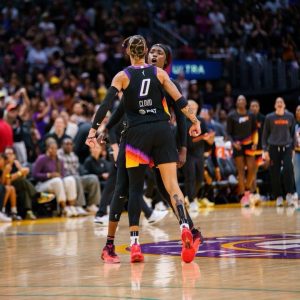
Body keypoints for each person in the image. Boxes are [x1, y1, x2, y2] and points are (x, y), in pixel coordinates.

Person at [86, 35, 201, 264]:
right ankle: (186, 227)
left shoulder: (122, 76)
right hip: (162, 131)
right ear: (146, 51)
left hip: (136, 135)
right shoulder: (160, 74)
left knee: (134, 188)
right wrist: (195, 121)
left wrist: (93, 130)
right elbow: (181, 103)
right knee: (171, 186)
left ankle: (135, 244)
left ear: (128, 52)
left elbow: (107, 104)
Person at [262, 97, 298, 207]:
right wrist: (265, 150)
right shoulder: (269, 117)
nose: (279, 103)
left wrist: (293, 148)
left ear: (284, 105)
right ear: (274, 105)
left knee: (288, 170)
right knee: (275, 173)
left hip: (287, 148)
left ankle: (289, 195)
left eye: (281, 102)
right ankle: (278, 197)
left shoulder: (290, 116)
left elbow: (293, 134)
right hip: (273, 148)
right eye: (277, 102)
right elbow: (265, 135)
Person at [33, 138, 78, 217]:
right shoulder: (41, 159)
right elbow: (35, 175)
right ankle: (63, 208)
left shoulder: (59, 160)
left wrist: (59, 175)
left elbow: (63, 175)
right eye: (51, 148)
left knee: (70, 179)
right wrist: (49, 175)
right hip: (42, 185)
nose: (54, 150)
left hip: (57, 183)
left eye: (55, 148)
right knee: (57, 181)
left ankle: (71, 207)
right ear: (47, 149)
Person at [227, 95, 258, 207]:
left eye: (243, 99)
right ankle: (244, 196)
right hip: (238, 145)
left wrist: (255, 143)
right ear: (236, 103)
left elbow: (255, 130)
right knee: (240, 171)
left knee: (252, 168)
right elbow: (228, 133)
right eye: (239, 99)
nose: (241, 101)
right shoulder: (231, 115)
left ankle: (247, 189)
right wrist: (234, 143)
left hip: (249, 144)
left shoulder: (251, 115)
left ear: (246, 103)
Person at [57, 137, 101, 215]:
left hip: (76, 178)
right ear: (62, 145)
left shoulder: (73, 155)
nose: (69, 146)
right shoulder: (58, 154)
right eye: (67, 144)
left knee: (93, 178)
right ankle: (79, 205)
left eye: (71, 144)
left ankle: (92, 205)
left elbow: (78, 170)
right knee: (76, 178)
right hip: (66, 179)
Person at [294, 105, 300, 207]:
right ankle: (299, 198)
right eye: (298, 110)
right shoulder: (293, 125)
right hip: (297, 153)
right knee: (298, 178)